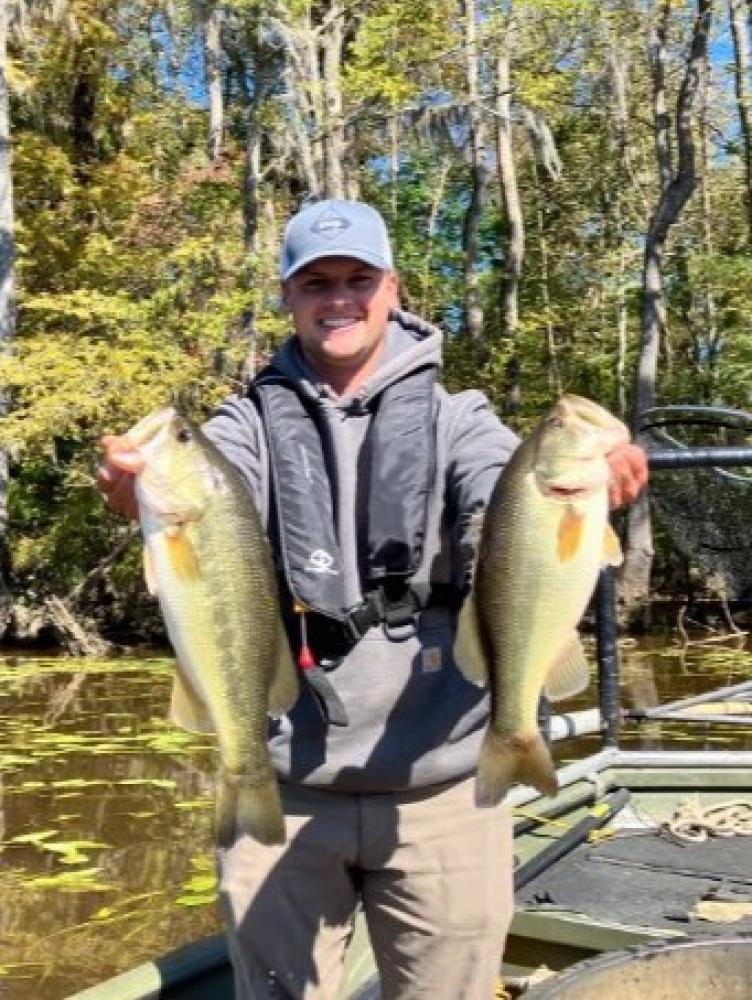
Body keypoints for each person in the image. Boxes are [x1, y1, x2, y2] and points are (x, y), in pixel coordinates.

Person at [98, 199, 648, 1000]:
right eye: (315, 282)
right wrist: (134, 492)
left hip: (446, 783)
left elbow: (495, 493)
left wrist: (574, 497)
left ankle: (513, 739)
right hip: (283, 786)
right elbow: (216, 512)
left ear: (392, 288)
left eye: (359, 278)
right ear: (288, 297)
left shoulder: (463, 419)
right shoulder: (242, 429)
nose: (339, 298)